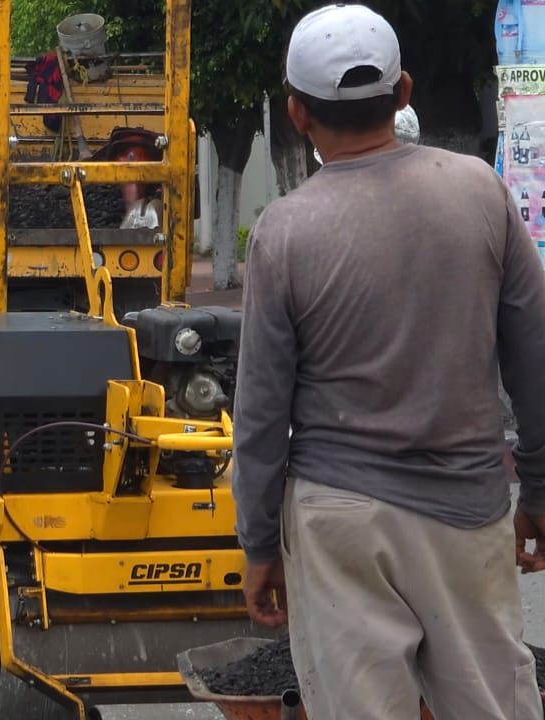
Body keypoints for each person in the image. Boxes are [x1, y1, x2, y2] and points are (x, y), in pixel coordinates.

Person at [232, 5, 545, 720]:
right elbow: (535, 359)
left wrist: (257, 542)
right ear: (404, 92)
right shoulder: (481, 193)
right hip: (466, 507)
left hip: (337, 517)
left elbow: (259, 410)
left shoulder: (284, 229)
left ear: (296, 115)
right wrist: (540, 488)